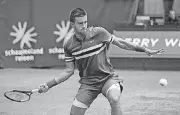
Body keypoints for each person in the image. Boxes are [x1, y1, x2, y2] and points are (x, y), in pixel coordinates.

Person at [38, 8, 164, 115]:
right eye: (80, 23)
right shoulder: (69, 45)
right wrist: (48, 85)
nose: (84, 26)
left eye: (85, 22)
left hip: (107, 78)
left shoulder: (99, 33)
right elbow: (68, 71)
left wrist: (144, 49)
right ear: (72, 24)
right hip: (88, 84)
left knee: (114, 98)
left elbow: (121, 43)